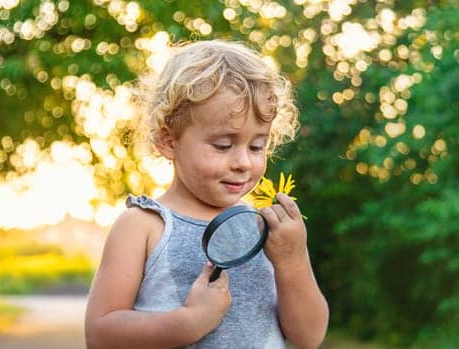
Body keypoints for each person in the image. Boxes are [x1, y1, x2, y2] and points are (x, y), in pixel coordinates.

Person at [84, 40, 328, 348]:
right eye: (223, 145)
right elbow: (101, 334)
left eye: (257, 146)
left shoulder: (263, 227)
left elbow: (309, 337)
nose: (242, 162)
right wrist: (190, 321)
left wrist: (293, 260)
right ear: (169, 141)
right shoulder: (143, 225)